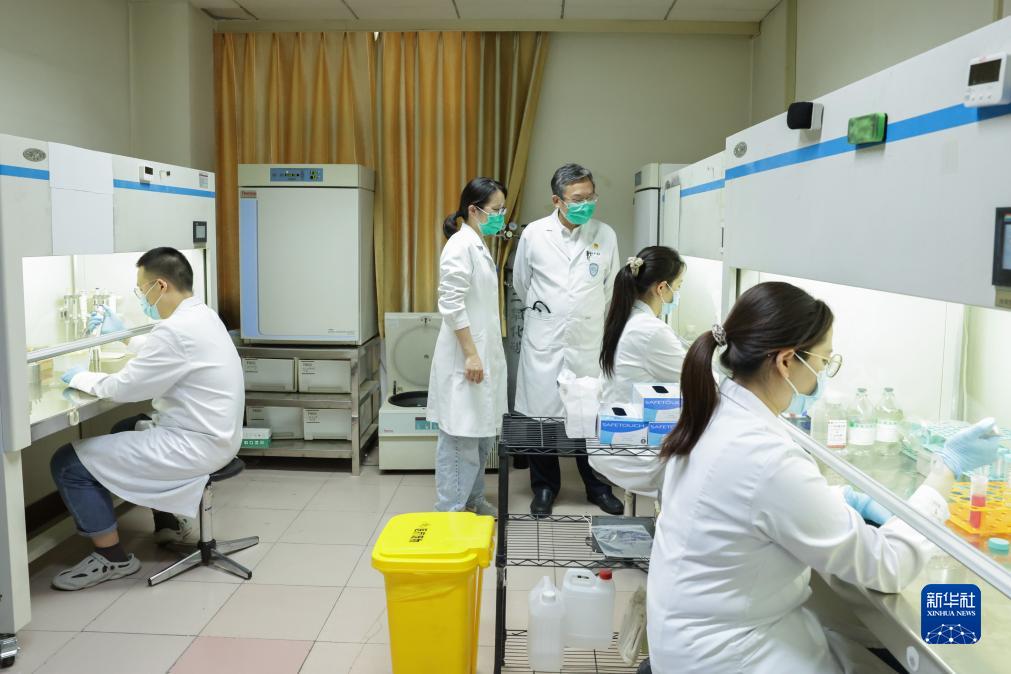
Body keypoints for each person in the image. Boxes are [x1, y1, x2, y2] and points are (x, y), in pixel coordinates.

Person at [646, 281, 1003, 673]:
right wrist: (945, 470)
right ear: (786, 362)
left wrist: (840, 497)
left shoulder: (718, 412)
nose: (821, 376)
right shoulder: (765, 457)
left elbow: (756, 504)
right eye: (823, 362)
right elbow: (887, 566)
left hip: (697, 635)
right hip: (727, 655)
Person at [51, 247, 244, 590]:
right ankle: (168, 523)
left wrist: (77, 376)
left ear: (161, 285)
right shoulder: (201, 315)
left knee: (67, 463)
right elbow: (167, 354)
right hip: (220, 437)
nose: (142, 297)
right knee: (123, 428)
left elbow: (122, 388)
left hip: (195, 444)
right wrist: (126, 334)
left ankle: (113, 559)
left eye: (142, 289)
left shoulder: (177, 330)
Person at [513, 163, 624, 517]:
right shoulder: (534, 234)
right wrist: (553, 314)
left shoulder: (605, 234)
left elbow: (610, 289)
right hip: (544, 339)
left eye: (591, 196)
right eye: (578, 199)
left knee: (588, 414)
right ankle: (545, 487)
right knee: (541, 418)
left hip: (586, 340)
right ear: (557, 201)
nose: (586, 204)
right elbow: (522, 282)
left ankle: (597, 486)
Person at [427, 178, 509, 515]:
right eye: (496, 210)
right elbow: (451, 304)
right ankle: (451, 510)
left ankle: (473, 500)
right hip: (466, 358)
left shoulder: (477, 244)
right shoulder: (460, 246)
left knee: (479, 436)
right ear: (474, 210)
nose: (501, 216)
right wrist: (472, 354)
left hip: (480, 356)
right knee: (460, 439)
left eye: (503, 209)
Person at [590, 246, 687, 495]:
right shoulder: (650, 330)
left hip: (613, 437)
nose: (677, 294)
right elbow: (698, 379)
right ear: (661, 288)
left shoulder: (627, 317)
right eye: (678, 286)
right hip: (632, 450)